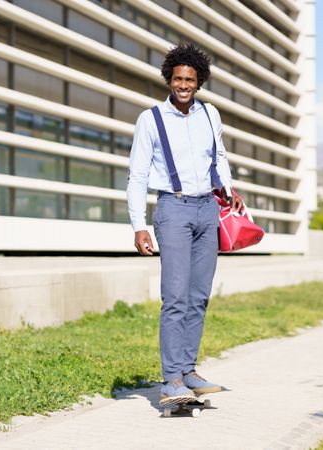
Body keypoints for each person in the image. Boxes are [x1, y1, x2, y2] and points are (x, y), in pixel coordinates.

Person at [127, 43, 243, 405]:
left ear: (199, 81)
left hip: (208, 209)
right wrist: (139, 225)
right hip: (172, 210)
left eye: (190, 79)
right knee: (175, 297)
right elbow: (137, 176)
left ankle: (189, 370)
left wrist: (228, 188)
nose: (183, 85)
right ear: (169, 79)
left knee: (198, 297)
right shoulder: (151, 119)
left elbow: (219, 156)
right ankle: (171, 379)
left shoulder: (211, 114)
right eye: (177, 78)